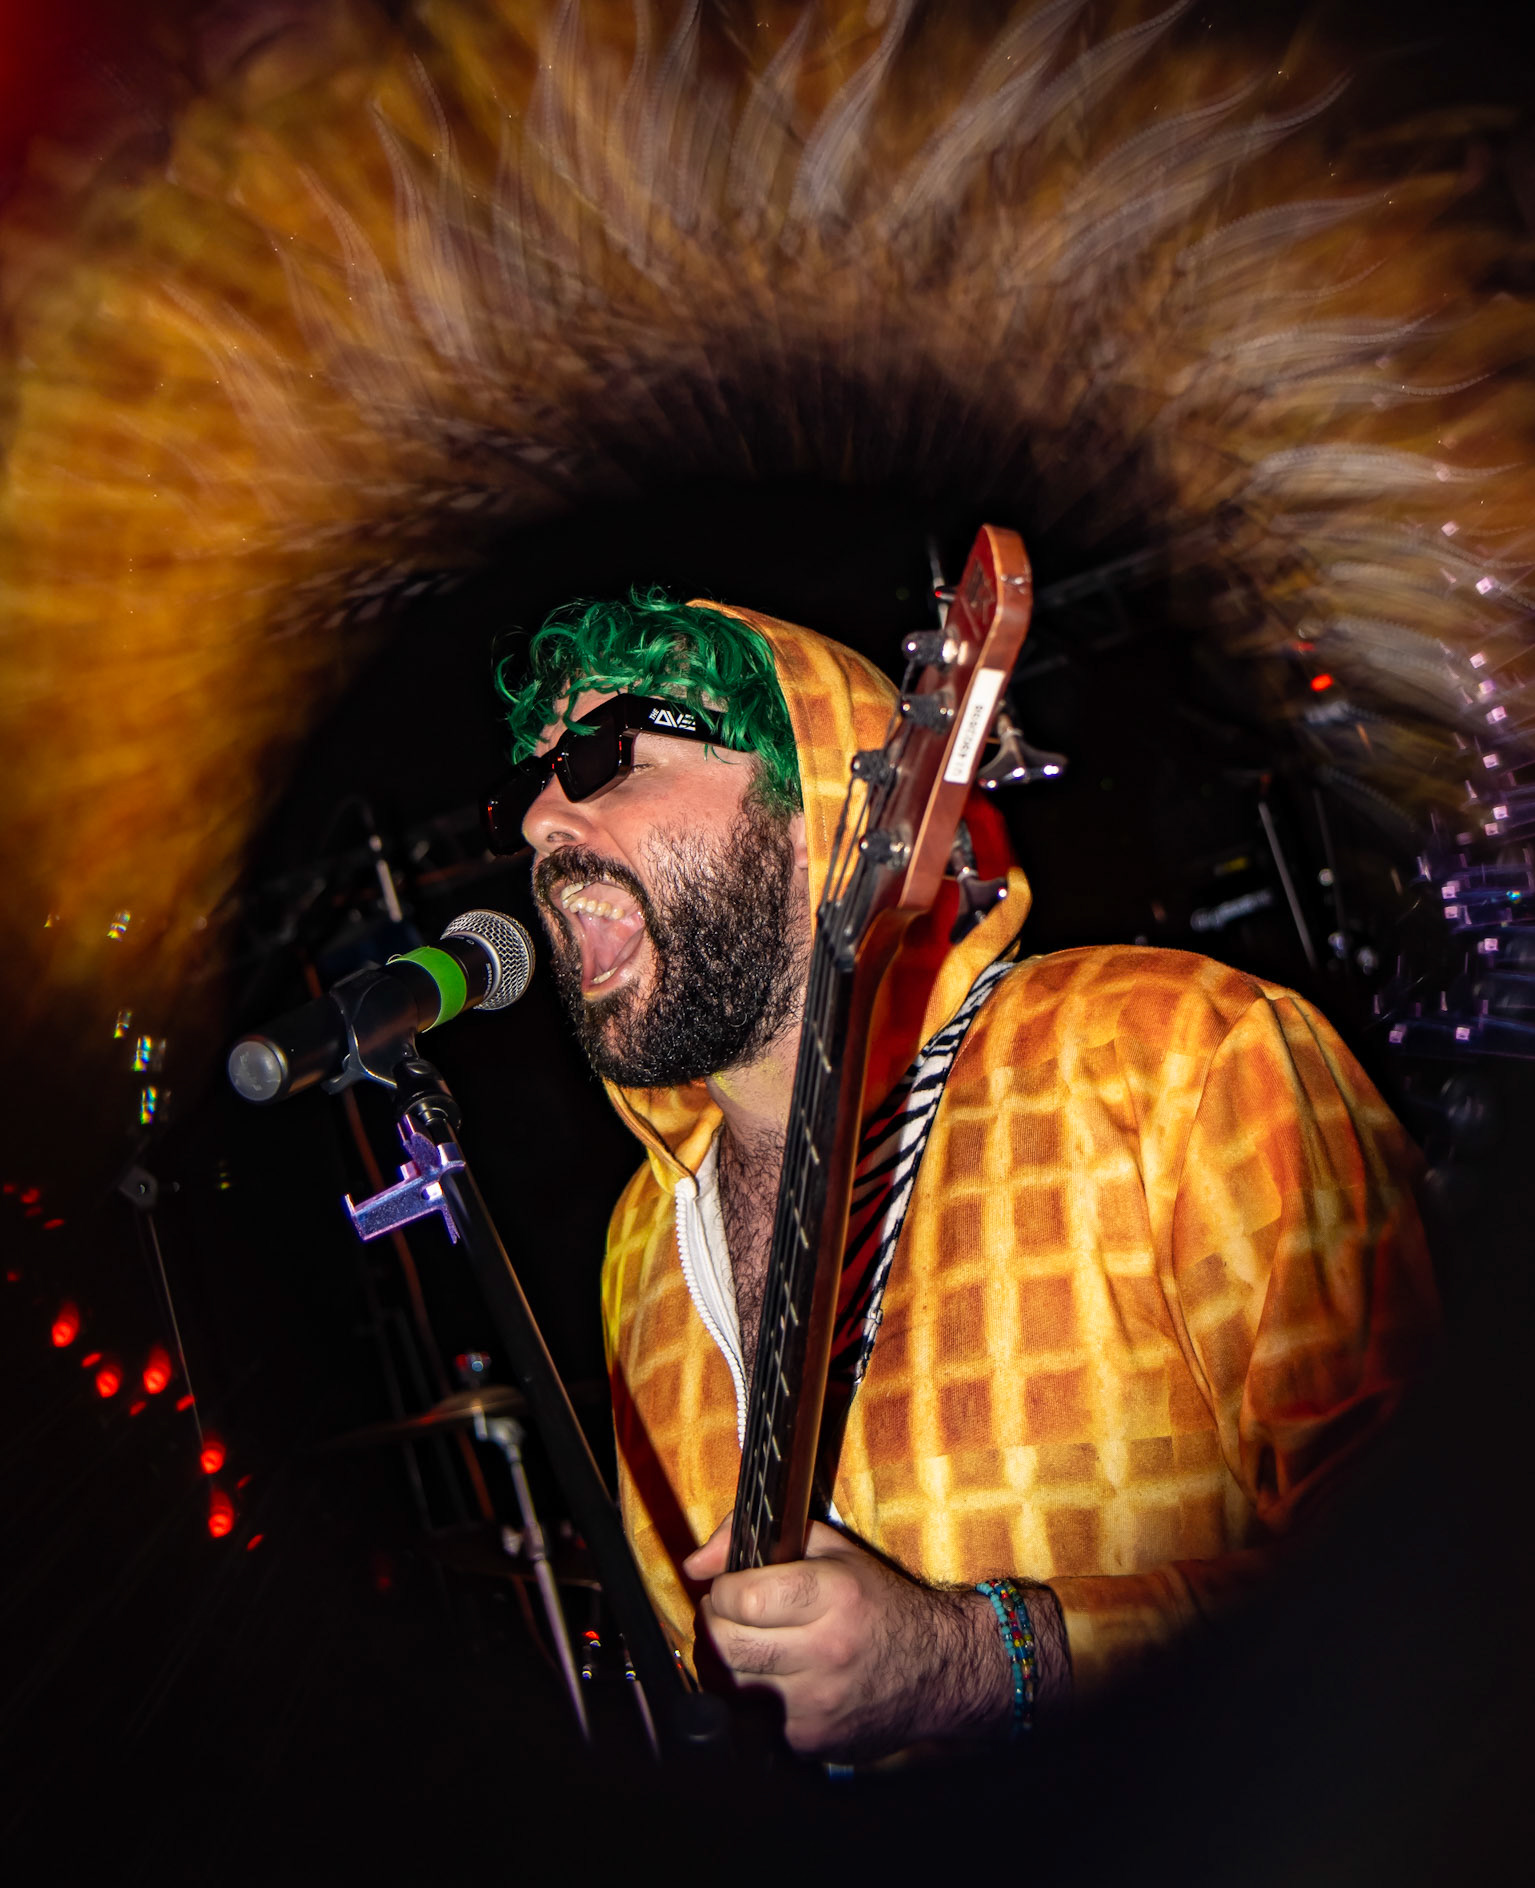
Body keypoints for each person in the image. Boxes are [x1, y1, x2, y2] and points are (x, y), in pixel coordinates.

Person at [496, 587, 1441, 1762]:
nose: (537, 816)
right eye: (525, 783)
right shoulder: (641, 1242)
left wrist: (986, 1660)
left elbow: (1433, 1564)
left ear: (822, 804)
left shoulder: (1172, 1053)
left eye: (603, 755)